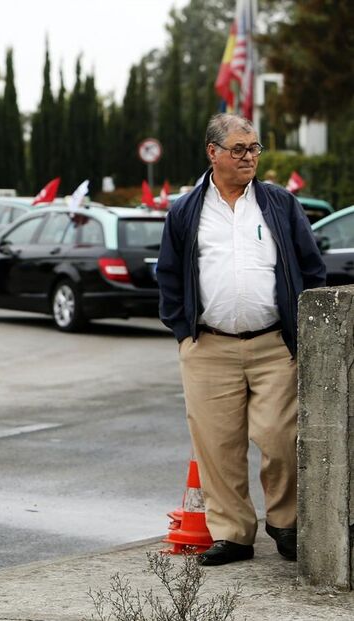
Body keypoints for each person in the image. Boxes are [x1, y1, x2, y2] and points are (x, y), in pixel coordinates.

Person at [157, 113, 326, 567]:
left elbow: (311, 268)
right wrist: (182, 335)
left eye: (254, 148)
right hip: (208, 347)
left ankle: (285, 524)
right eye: (239, 149)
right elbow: (169, 276)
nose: (249, 157)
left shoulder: (279, 204)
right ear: (213, 153)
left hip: (275, 345)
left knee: (279, 436)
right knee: (217, 444)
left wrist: (302, 329)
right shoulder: (185, 211)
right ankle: (233, 534)